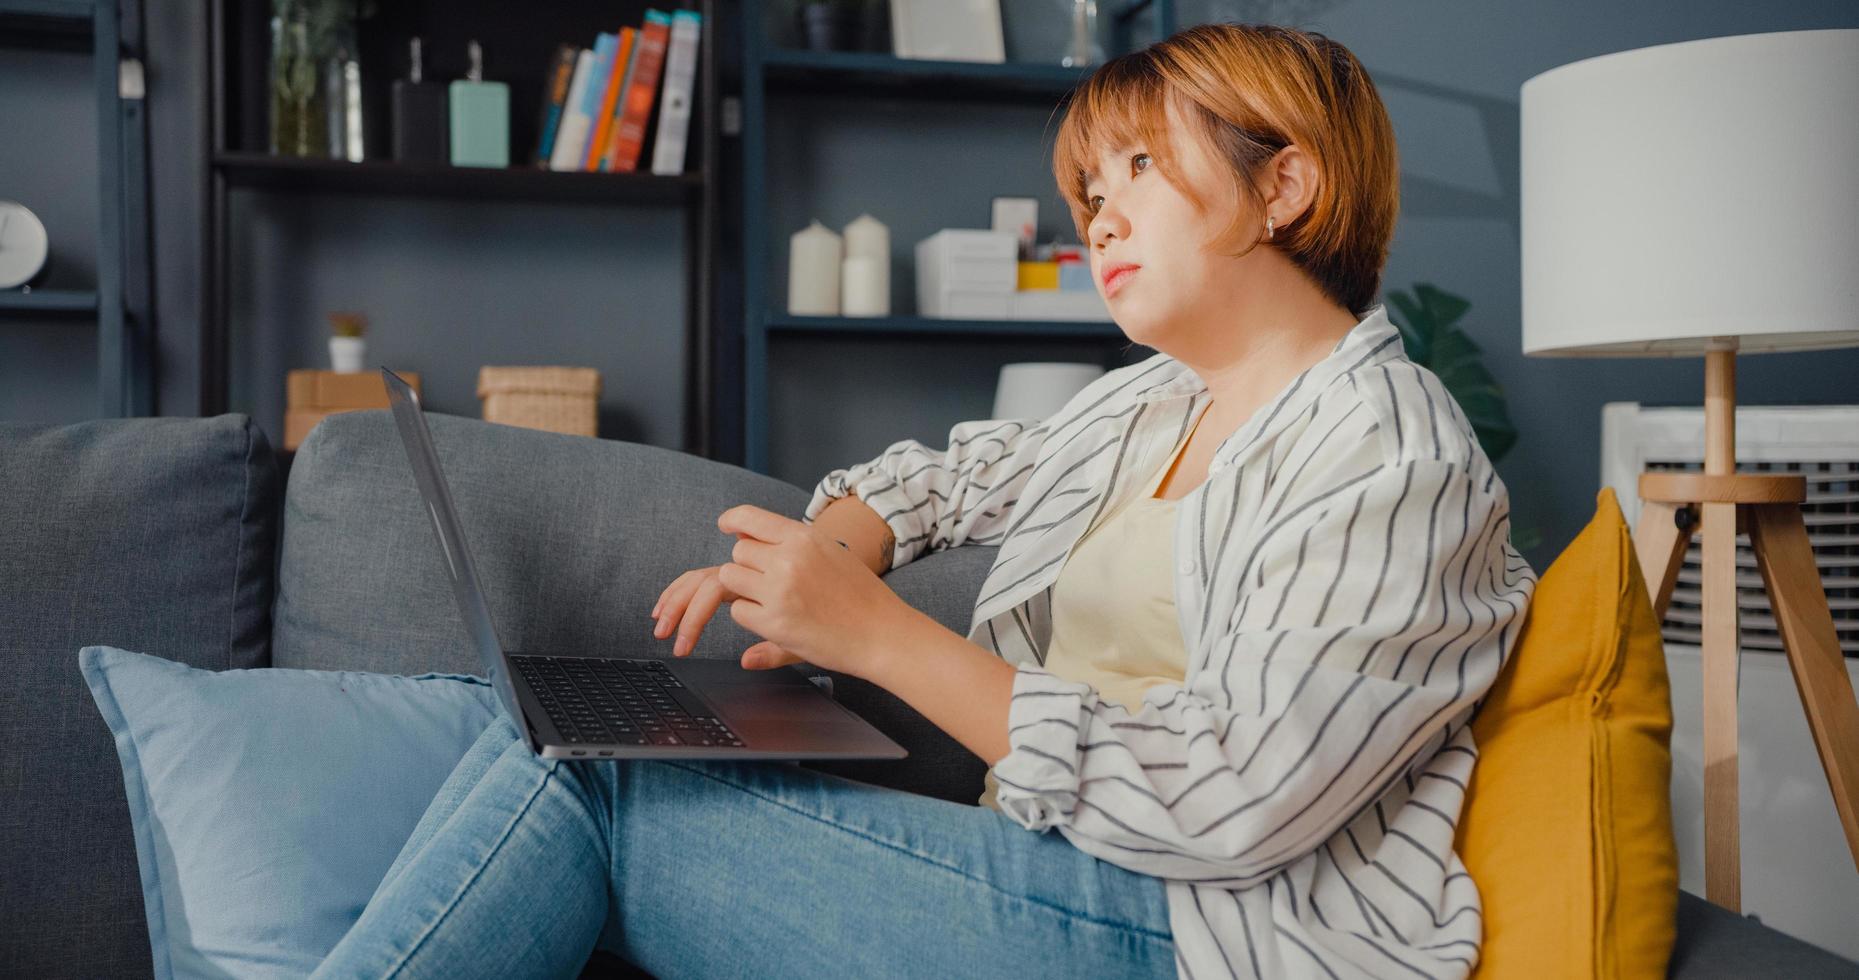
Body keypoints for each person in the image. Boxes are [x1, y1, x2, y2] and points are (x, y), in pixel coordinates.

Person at [312, 22, 1536, 980]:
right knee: (556, 727)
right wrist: (809, 563)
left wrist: (877, 634)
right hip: (1062, 872)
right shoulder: (1152, 403)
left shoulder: (1389, 454)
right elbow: (944, 479)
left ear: (1284, 188)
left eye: (1138, 165)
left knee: (589, 776)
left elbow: (1233, 798)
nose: (1097, 210)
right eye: (1086, 185)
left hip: (1214, 937)